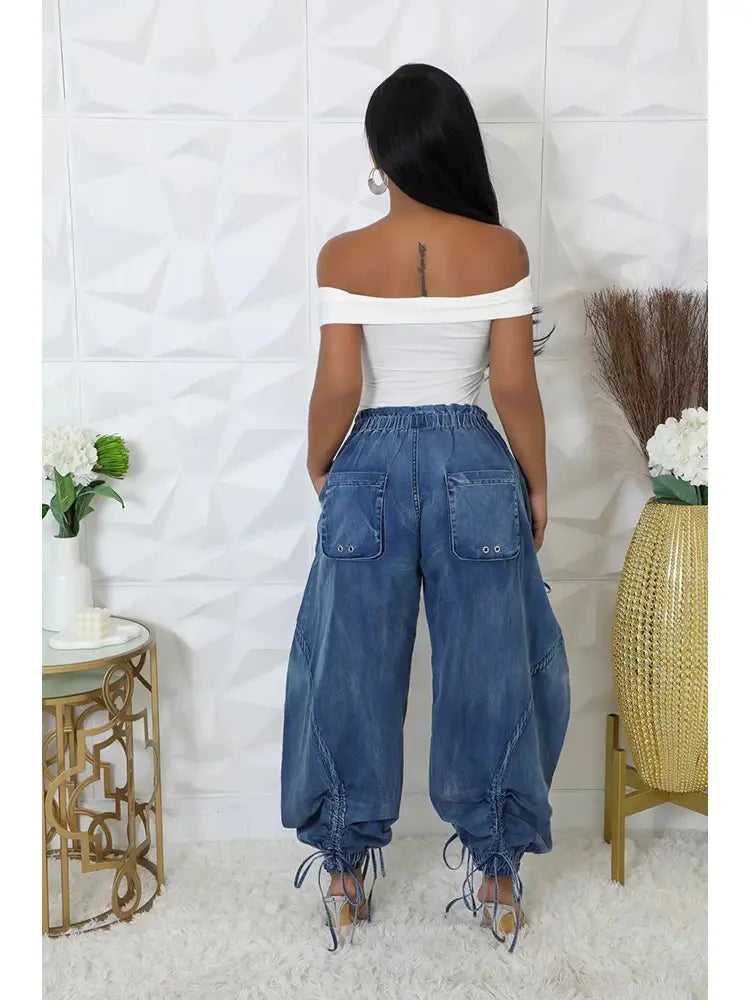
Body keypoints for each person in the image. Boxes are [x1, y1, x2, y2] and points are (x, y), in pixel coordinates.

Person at [280, 63, 570, 953]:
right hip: (474, 464)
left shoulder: (342, 256)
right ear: (454, 145)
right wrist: (537, 482)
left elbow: (339, 385)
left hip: (367, 462)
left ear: (381, 155)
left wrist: (321, 463)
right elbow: (513, 387)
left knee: (350, 664)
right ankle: (497, 877)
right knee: (490, 665)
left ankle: (342, 875)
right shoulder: (502, 250)